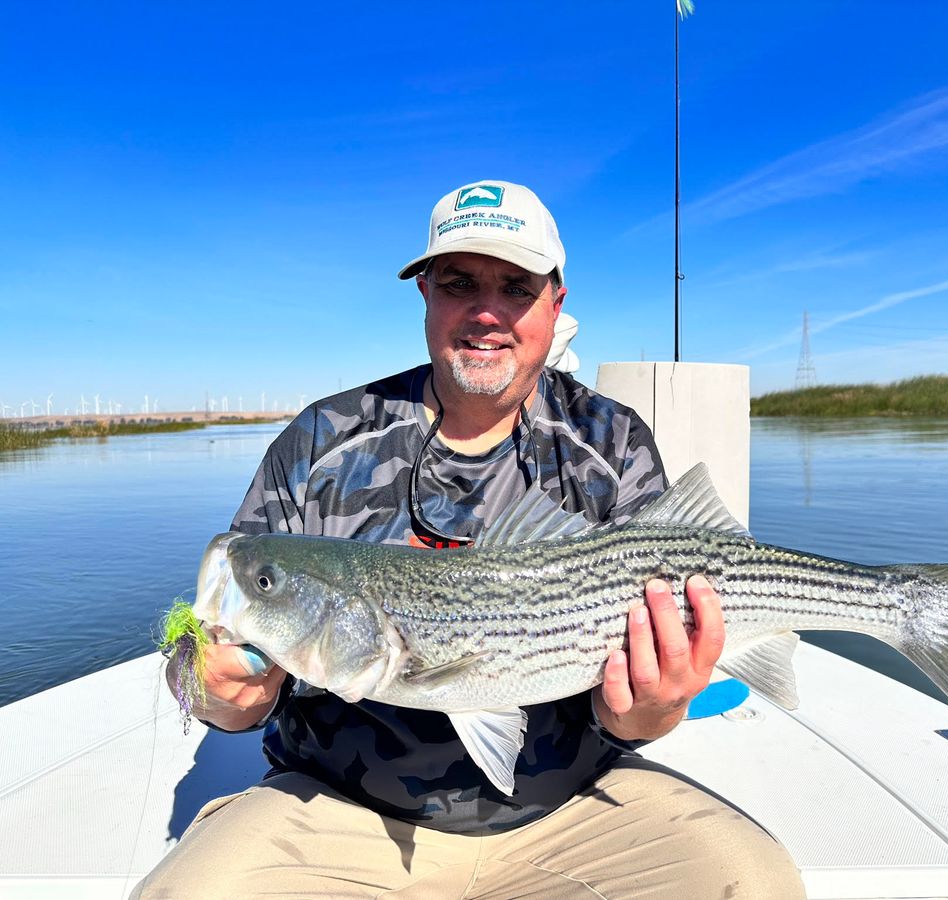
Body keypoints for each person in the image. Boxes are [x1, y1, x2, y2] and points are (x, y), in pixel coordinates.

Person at [135, 181, 805, 898]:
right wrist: (212, 689)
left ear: (556, 301)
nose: (487, 313)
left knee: (753, 883)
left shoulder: (609, 443)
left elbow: (632, 716)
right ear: (425, 291)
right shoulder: (322, 441)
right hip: (333, 806)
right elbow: (203, 649)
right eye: (458, 283)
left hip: (574, 808)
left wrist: (650, 708)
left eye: (516, 287)